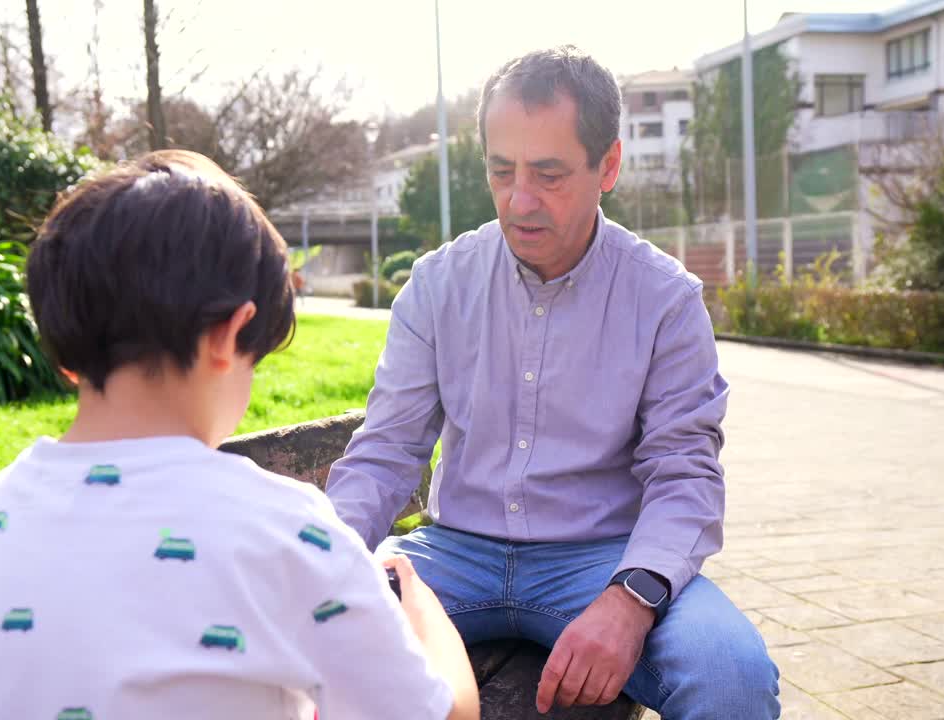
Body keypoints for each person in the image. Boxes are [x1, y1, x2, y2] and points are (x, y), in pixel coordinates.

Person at [0, 150, 479, 720]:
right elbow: (444, 715)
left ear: (66, 356)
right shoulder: (285, 530)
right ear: (227, 337)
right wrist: (420, 605)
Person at [325, 47, 780, 719]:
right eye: (501, 171)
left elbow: (685, 474)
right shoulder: (437, 286)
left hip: (601, 562)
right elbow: (387, 452)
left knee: (733, 678)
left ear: (609, 167)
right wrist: (322, 556)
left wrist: (631, 600)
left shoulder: (665, 299)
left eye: (548, 173)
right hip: (451, 554)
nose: (520, 200)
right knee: (303, 640)